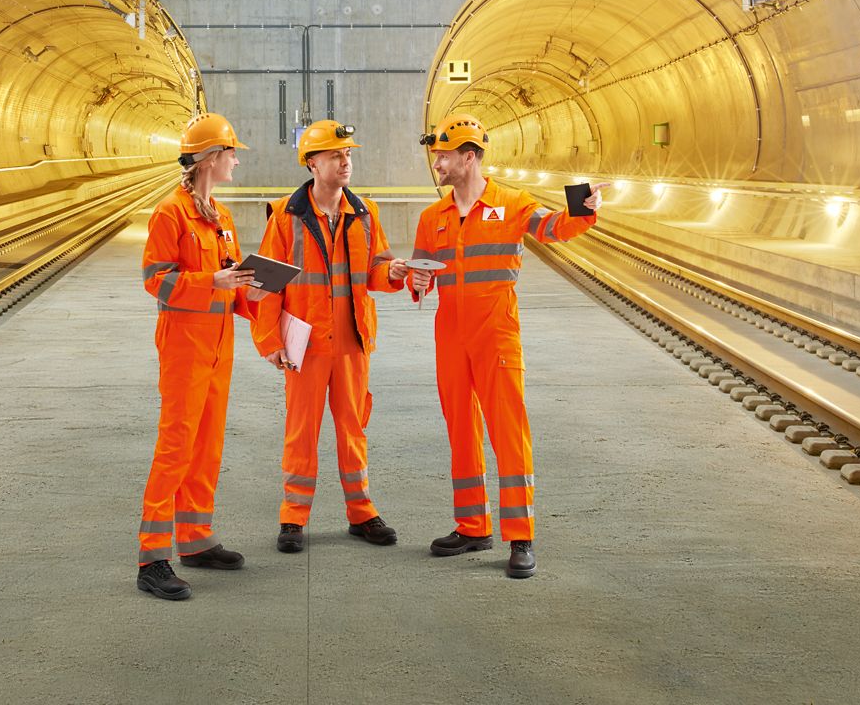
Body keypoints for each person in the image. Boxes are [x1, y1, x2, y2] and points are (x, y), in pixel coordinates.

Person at [407, 113, 603, 579]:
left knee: (507, 431)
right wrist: (415, 282)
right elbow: (421, 279)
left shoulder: (512, 204)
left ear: (469, 157)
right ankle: (473, 525)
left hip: (496, 332)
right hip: (450, 335)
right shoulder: (430, 218)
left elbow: (553, 227)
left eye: (445, 156)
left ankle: (520, 535)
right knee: (461, 430)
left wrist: (584, 209)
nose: (438, 163)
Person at [251, 120, 407, 555]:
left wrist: (391, 274)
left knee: (353, 426)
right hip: (307, 343)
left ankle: (361, 512)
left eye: (349, 154)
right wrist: (269, 340)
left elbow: (376, 267)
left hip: (352, 342)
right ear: (312, 163)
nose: (346, 162)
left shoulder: (365, 212)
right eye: (337, 155)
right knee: (301, 430)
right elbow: (265, 282)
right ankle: (293, 516)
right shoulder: (286, 215)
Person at [135, 112, 264, 601]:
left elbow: (231, 284)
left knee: (207, 444)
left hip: (218, 342)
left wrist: (265, 300)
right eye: (231, 152)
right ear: (211, 159)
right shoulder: (171, 214)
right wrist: (210, 282)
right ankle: (152, 557)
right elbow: (155, 279)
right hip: (185, 343)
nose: (235, 160)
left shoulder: (221, 218)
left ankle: (193, 538)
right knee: (176, 447)